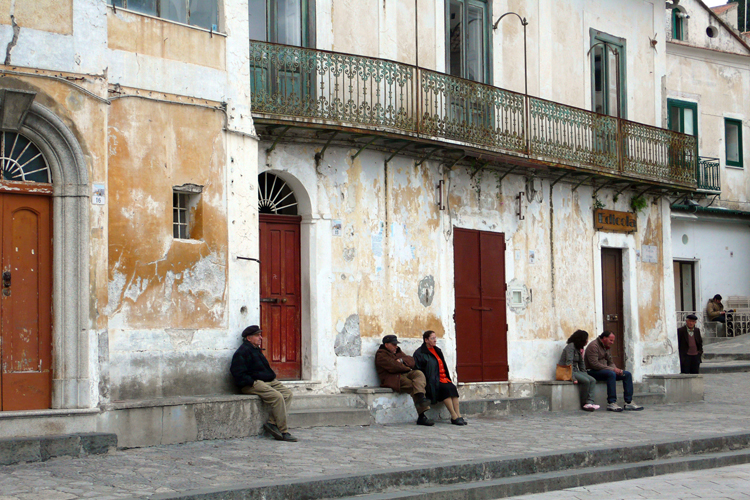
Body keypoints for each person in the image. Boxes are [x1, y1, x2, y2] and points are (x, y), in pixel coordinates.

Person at [230, 325, 297, 442]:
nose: (260, 338)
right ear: (249, 338)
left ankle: (272, 423)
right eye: (257, 335)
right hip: (251, 384)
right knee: (277, 397)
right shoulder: (242, 352)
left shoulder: (256, 350)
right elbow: (238, 373)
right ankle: (283, 431)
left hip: (268, 381)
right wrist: (251, 382)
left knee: (288, 394)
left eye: (260, 335)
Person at [375, 334, 434, 426]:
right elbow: (394, 367)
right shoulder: (381, 354)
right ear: (386, 345)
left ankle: (421, 396)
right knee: (412, 385)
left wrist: (402, 361)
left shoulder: (398, 351)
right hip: (393, 378)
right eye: (393, 344)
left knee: (419, 373)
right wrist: (407, 368)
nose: (396, 346)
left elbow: (412, 361)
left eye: (396, 344)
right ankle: (422, 416)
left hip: (404, 374)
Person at [413, 330, 467, 425]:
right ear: (426, 340)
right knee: (445, 389)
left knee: (452, 388)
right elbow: (418, 370)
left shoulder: (437, 350)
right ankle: (453, 415)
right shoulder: (419, 353)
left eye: (435, 338)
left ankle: (458, 415)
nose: (435, 340)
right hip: (432, 381)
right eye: (432, 338)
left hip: (443, 378)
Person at [584, 331, 643, 412]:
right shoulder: (593, 346)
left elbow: (610, 362)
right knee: (611, 374)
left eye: (613, 341)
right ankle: (611, 402)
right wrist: (613, 370)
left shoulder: (607, 347)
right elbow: (594, 364)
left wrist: (617, 370)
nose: (612, 342)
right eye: (611, 340)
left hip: (605, 370)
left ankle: (628, 402)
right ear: (604, 338)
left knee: (627, 374)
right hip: (593, 371)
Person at [558, 329, 599, 412]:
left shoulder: (578, 348)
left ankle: (590, 402)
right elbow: (568, 363)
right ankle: (584, 403)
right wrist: (573, 377)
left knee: (592, 380)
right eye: (586, 339)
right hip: (566, 371)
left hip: (576, 370)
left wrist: (585, 373)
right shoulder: (570, 347)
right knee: (586, 381)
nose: (587, 341)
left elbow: (581, 363)